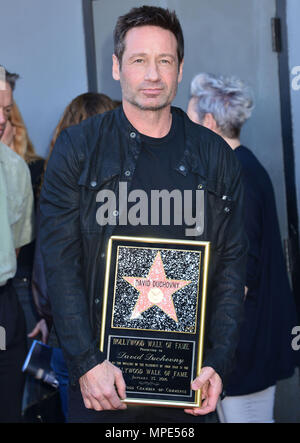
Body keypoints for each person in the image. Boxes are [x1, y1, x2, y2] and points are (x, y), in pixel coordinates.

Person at [40, 6, 247, 423]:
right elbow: (60, 262)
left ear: (180, 68)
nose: (152, 75)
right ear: (116, 67)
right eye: (139, 60)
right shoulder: (78, 149)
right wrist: (85, 362)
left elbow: (231, 268)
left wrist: (218, 361)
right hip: (102, 383)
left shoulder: (216, 156)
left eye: (164, 60)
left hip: (188, 385)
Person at [187, 72, 300, 423]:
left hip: (246, 348)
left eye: (189, 120)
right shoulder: (236, 170)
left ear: (208, 123)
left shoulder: (240, 177)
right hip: (237, 347)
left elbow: (242, 276)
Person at [32, 92, 119, 421]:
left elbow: (45, 266)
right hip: (120, 340)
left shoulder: (53, 187)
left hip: (69, 340)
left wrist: (47, 315)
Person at [0, 71, 35, 422]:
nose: (0, 119)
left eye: (6, 110)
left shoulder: (14, 169)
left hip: (4, 304)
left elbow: (15, 251)